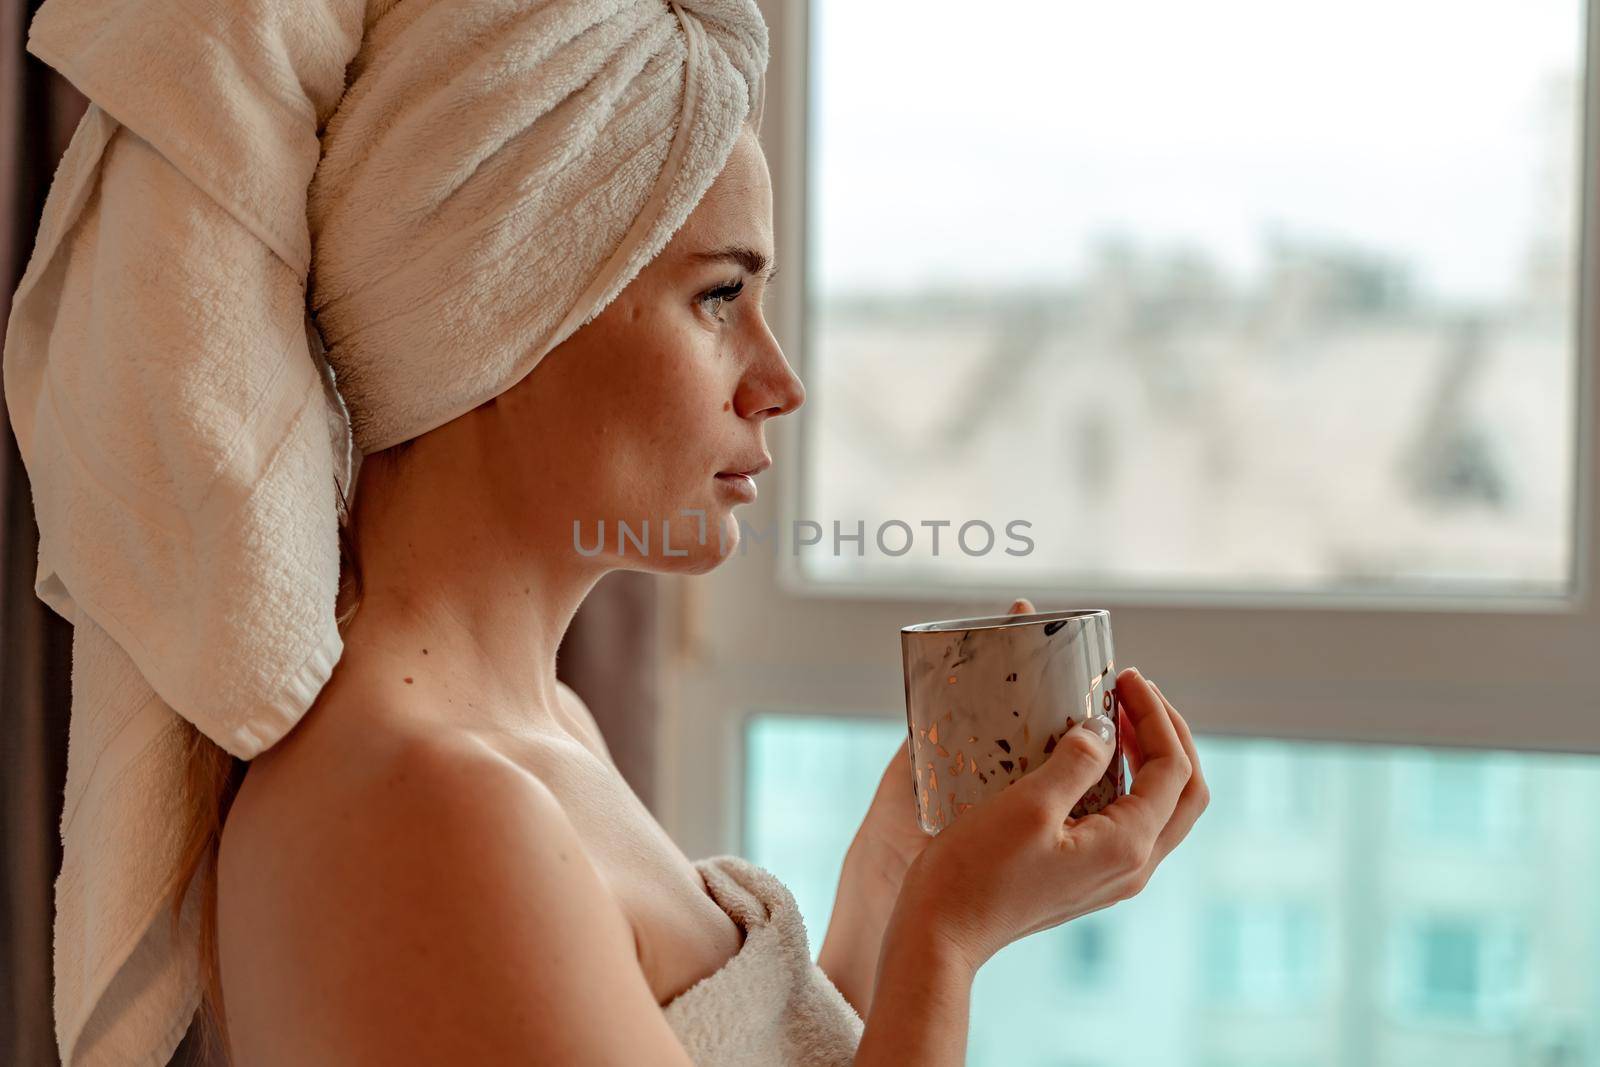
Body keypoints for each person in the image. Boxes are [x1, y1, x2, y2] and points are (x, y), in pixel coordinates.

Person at [7, 1, 1206, 1063]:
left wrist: (894, 876)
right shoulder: (423, 810)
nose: (778, 379)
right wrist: (949, 936)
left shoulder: (536, 733)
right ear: (504, 307)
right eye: (720, 296)